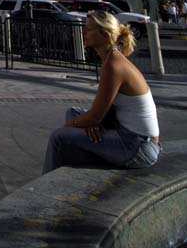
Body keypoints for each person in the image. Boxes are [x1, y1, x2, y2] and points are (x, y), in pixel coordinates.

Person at [43, 11, 161, 174]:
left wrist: (71, 126)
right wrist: (92, 124)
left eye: (88, 30)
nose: (84, 33)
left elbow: (94, 116)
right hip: (133, 137)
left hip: (137, 147)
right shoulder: (112, 59)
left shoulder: (113, 66)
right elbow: (104, 111)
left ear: (105, 35)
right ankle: (77, 164)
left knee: (59, 137)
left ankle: (49, 186)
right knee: (72, 112)